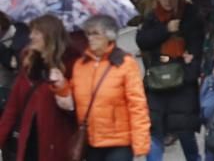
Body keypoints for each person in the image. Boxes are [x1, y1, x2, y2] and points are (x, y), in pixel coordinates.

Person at [53, 15, 151, 159]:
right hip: (91, 141)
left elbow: (137, 105)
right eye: (88, 34)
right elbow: (73, 99)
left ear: (109, 36)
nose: (90, 38)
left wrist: (141, 142)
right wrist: (61, 86)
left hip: (119, 143)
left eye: (96, 34)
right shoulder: (81, 65)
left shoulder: (125, 63)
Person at [135, 0, 204, 161]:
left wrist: (188, 70)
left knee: (186, 135)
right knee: (155, 133)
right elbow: (142, 40)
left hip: (182, 85)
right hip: (157, 82)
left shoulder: (190, 14)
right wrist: (166, 29)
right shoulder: (153, 16)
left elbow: (196, 48)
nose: (167, 0)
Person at [0, 15, 78, 161]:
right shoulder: (29, 64)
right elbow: (12, 107)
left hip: (57, 144)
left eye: (36, 33)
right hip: (30, 140)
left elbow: (76, 110)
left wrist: (62, 87)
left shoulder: (70, 63)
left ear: (49, 35)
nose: (31, 36)